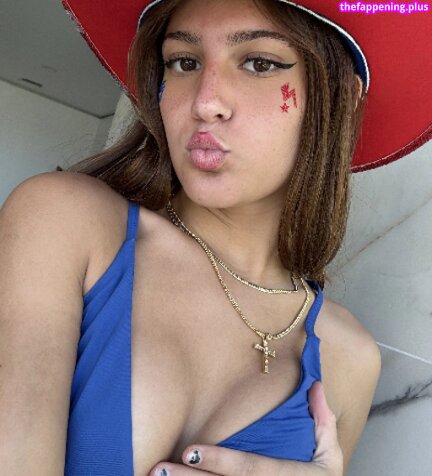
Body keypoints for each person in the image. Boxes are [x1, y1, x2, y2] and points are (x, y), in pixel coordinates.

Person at [0, 0, 430, 475]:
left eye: (260, 64)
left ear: (343, 99)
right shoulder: (65, 222)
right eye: (184, 62)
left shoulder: (350, 358)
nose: (205, 102)